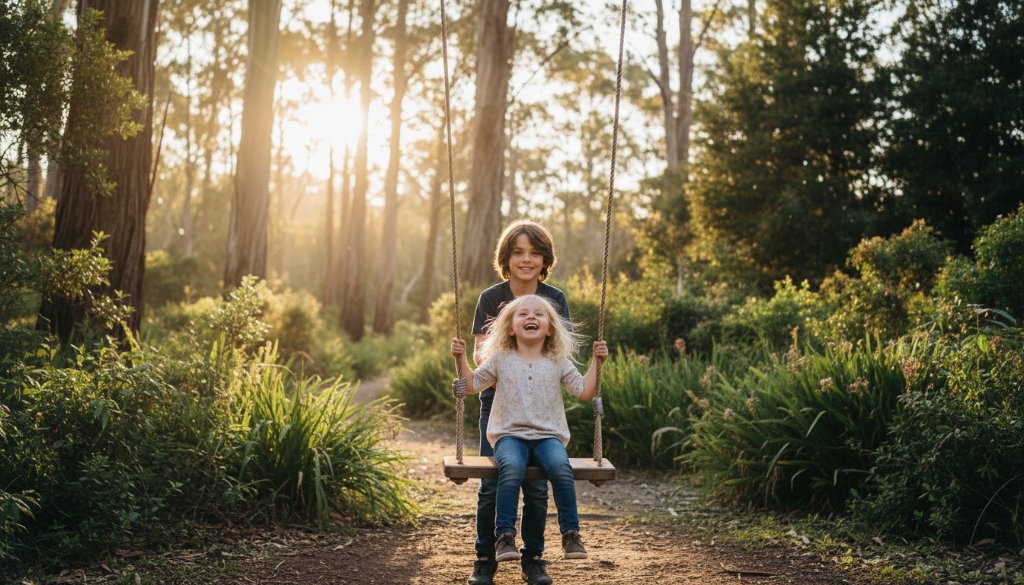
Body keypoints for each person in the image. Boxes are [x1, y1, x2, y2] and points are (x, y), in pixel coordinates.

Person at [451, 295, 608, 569]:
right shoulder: (501, 358)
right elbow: (473, 384)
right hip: (509, 436)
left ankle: (571, 534)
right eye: (523, 314)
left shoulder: (557, 360)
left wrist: (597, 362)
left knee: (560, 467)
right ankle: (504, 536)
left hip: (549, 436)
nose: (531, 318)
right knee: (510, 467)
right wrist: (461, 358)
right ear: (511, 327)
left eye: (539, 314)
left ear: (550, 328)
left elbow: (583, 390)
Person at [465, 220, 571, 585]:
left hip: (541, 407)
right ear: (506, 259)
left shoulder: (555, 299)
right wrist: (507, 365)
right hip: (499, 403)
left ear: (545, 259)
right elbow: (482, 354)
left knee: (538, 484)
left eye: (534, 253)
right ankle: (485, 556)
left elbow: (560, 350)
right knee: (493, 481)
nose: (526, 260)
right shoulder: (491, 298)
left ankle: (534, 558)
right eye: (518, 253)